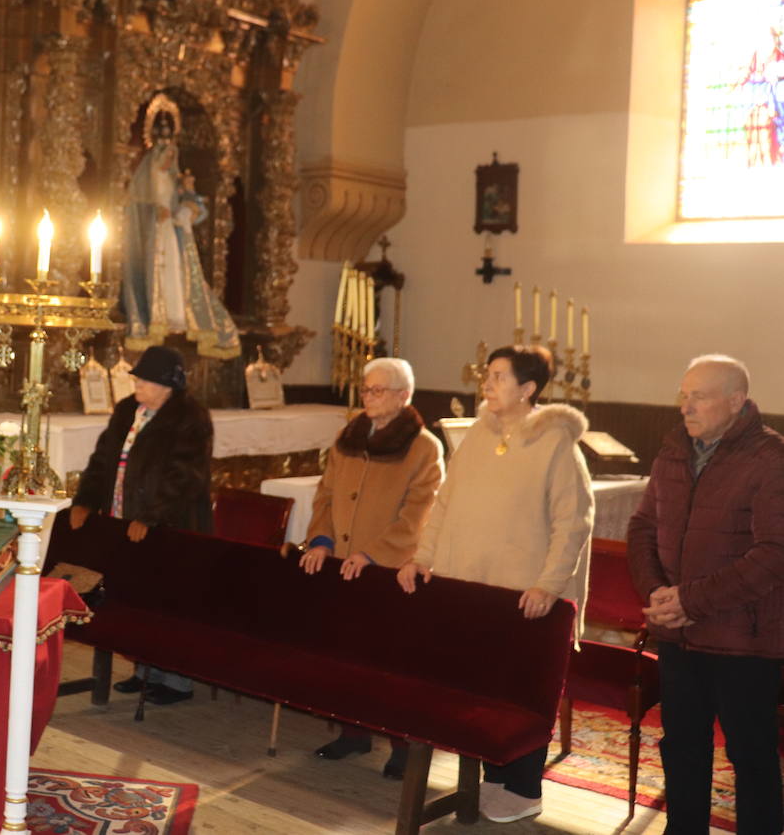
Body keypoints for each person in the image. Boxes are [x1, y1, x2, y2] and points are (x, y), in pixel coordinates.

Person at [397, 345, 592, 824]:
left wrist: (549, 584)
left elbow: (574, 520)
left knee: (520, 690)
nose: (488, 382)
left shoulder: (556, 441)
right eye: (488, 374)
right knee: (481, 687)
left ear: (528, 389)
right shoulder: (478, 435)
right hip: (471, 585)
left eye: (500, 376)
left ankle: (523, 787)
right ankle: (491, 780)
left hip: (524, 592)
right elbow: (445, 504)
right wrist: (423, 557)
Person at [627, 355, 784, 835]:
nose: (685, 406)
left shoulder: (770, 459)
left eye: (699, 396)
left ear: (736, 401)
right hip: (678, 634)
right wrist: (657, 592)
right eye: (683, 394)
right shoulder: (673, 452)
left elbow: (774, 553)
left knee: (750, 753)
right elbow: (642, 528)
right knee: (682, 746)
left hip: (744, 640)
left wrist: (690, 601)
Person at [298, 357, 443, 778]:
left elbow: (419, 514)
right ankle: (353, 733)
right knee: (347, 652)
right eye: (365, 389)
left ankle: (401, 744)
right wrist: (322, 541)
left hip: (389, 570)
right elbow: (325, 494)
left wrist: (374, 553)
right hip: (343, 562)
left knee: (392, 661)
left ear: (403, 396)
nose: (368, 397)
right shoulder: (350, 436)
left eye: (377, 390)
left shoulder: (423, 447)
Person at [68, 345, 213, 705]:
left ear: (168, 386)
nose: (138, 385)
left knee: (167, 602)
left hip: (171, 525)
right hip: (124, 519)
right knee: (134, 596)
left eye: (146, 380)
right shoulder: (127, 410)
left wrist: (152, 517)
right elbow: (102, 460)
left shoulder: (190, 418)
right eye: (138, 378)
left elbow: (185, 476)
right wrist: (85, 500)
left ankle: (175, 682)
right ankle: (144, 671)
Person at [122, 95, 239, 360]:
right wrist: (156, 213)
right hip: (155, 234)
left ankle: (176, 317)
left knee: (176, 271)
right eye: (166, 153)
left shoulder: (177, 179)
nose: (169, 158)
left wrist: (185, 202)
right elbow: (136, 208)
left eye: (172, 152)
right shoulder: (147, 176)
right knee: (157, 269)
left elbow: (196, 209)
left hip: (173, 234)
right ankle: (157, 317)